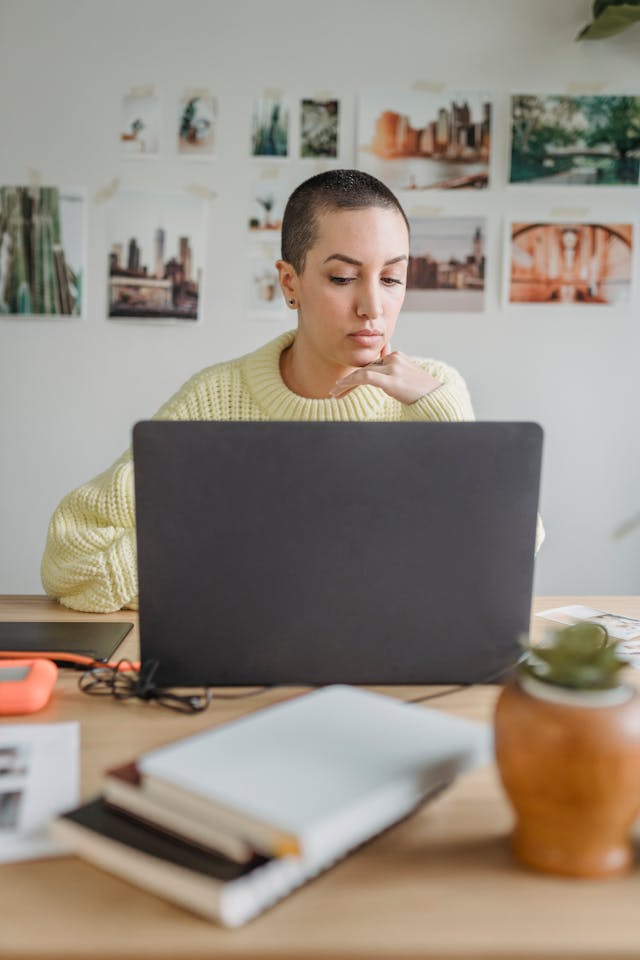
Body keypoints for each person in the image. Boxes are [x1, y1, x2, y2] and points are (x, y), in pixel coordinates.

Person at [41, 169, 541, 612]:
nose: (373, 306)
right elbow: (70, 560)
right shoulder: (214, 401)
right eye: (343, 277)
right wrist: (207, 543)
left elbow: (510, 553)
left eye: (392, 278)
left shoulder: (434, 395)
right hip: (248, 669)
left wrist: (444, 418)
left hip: (396, 673)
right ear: (290, 283)